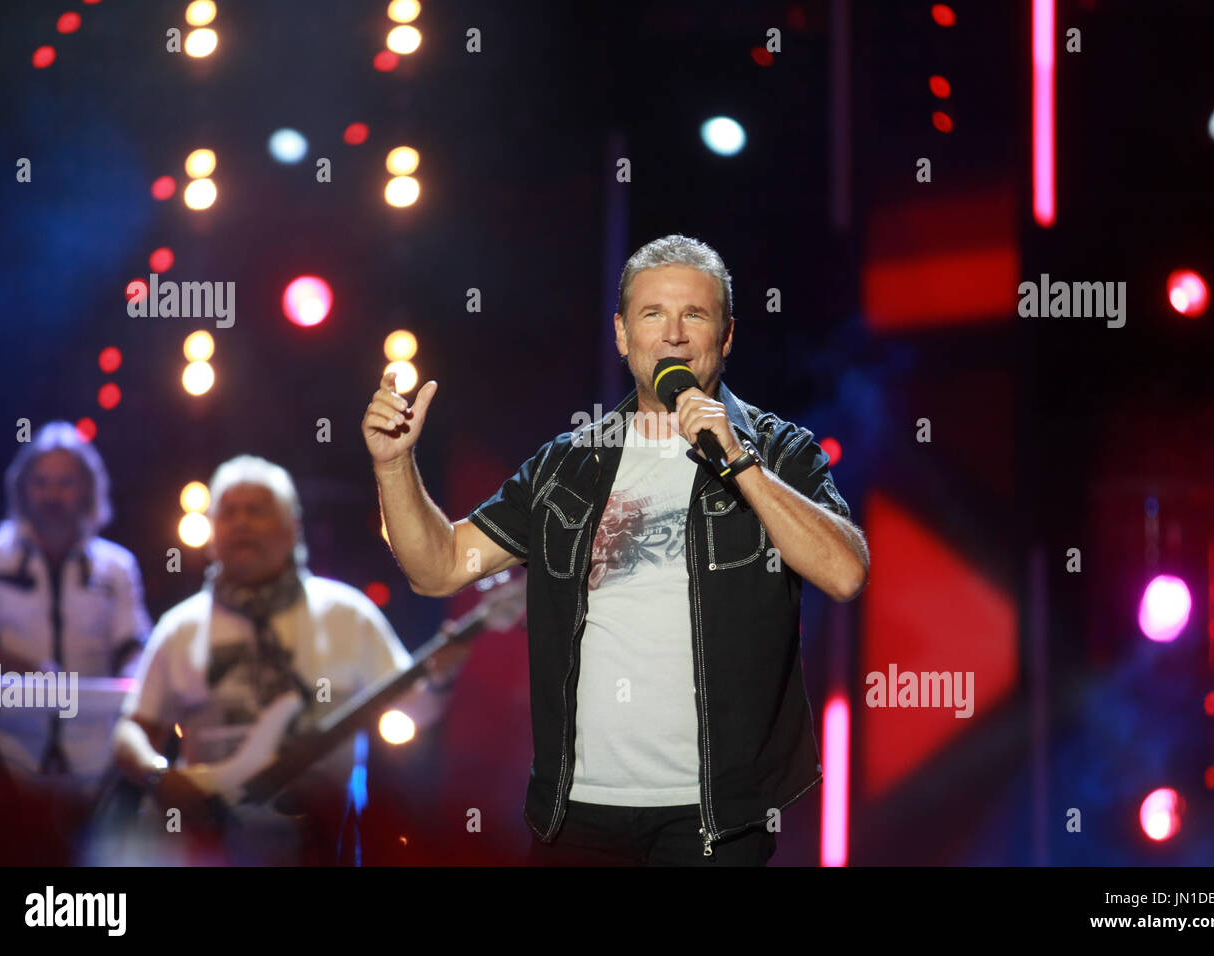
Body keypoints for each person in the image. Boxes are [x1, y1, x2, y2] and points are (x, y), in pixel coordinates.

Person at [365, 233, 870, 866]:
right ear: (623, 336)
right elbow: (438, 569)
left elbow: (845, 572)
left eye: (695, 315)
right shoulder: (565, 466)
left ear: (728, 335)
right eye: (652, 315)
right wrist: (393, 466)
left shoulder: (779, 451)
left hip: (715, 818)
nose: (674, 335)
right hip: (576, 815)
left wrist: (738, 461)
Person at [109, 454, 461, 865]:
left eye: (256, 510)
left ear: (292, 528)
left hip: (324, 844)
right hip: (209, 845)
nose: (241, 523)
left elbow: (413, 708)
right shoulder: (179, 626)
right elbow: (132, 730)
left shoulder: (347, 613)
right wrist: (159, 776)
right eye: (229, 512)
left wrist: (441, 676)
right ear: (211, 533)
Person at [0, 421, 151, 864]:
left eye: (65, 483)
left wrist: (138, 688)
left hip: (96, 765)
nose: (52, 495)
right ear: (22, 489)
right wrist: (36, 675)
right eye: (41, 483)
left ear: (88, 490)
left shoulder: (117, 567)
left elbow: (134, 646)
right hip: (2, 755)